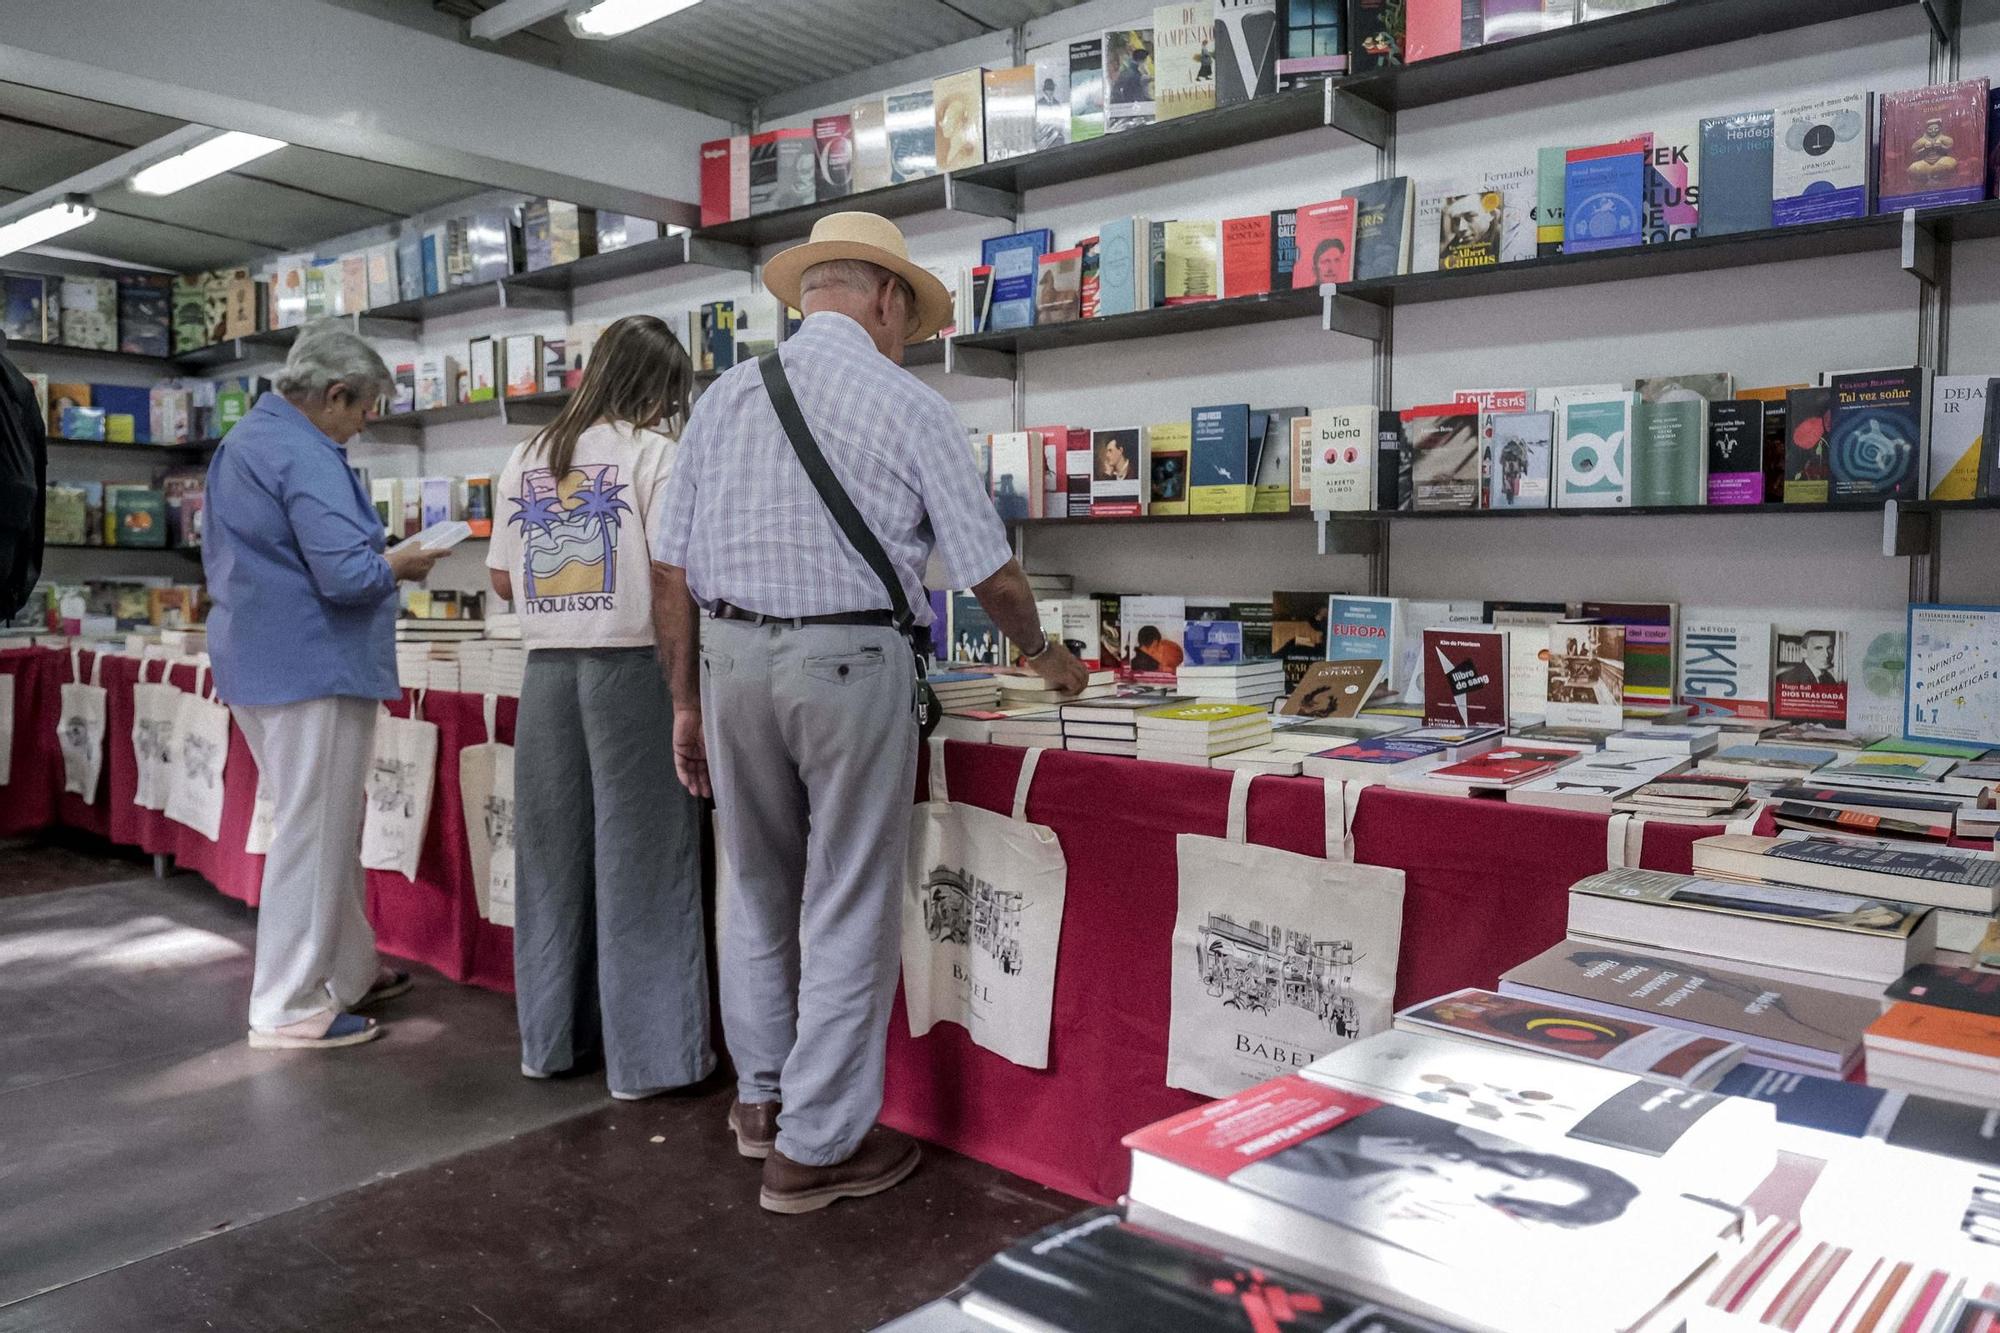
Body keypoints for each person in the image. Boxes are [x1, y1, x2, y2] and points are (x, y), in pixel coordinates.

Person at [652, 211, 1087, 1215]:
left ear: (810, 297)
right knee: (845, 899)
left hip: (726, 657)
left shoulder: (718, 401)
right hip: (848, 660)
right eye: (909, 317)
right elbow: (989, 571)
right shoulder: (907, 404)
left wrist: (683, 699)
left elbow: (669, 565)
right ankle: (812, 1148)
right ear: (886, 300)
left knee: (754, 890)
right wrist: (1045, 658)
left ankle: (759, 1102)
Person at [485, 314, 713, 1101]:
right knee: (644, 861)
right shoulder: (656, 454)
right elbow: (671, 580)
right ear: (659, 388)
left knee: (552, 860)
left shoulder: (525, 455)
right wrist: (686, 696)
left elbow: (504, 580)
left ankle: (550, 1043)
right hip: (631, 674)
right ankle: (651, 1060)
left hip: (545, 675)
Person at [204, 322, 442, 1050]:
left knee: (323, 823)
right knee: (314, 831)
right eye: (365, 407)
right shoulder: (305, 453)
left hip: (261, 656)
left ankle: (348, 966)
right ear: (335, 393)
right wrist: (399, 562)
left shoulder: (247, 440)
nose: (367, 423)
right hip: (315, 661)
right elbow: (346, 575)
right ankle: (287, 1002)